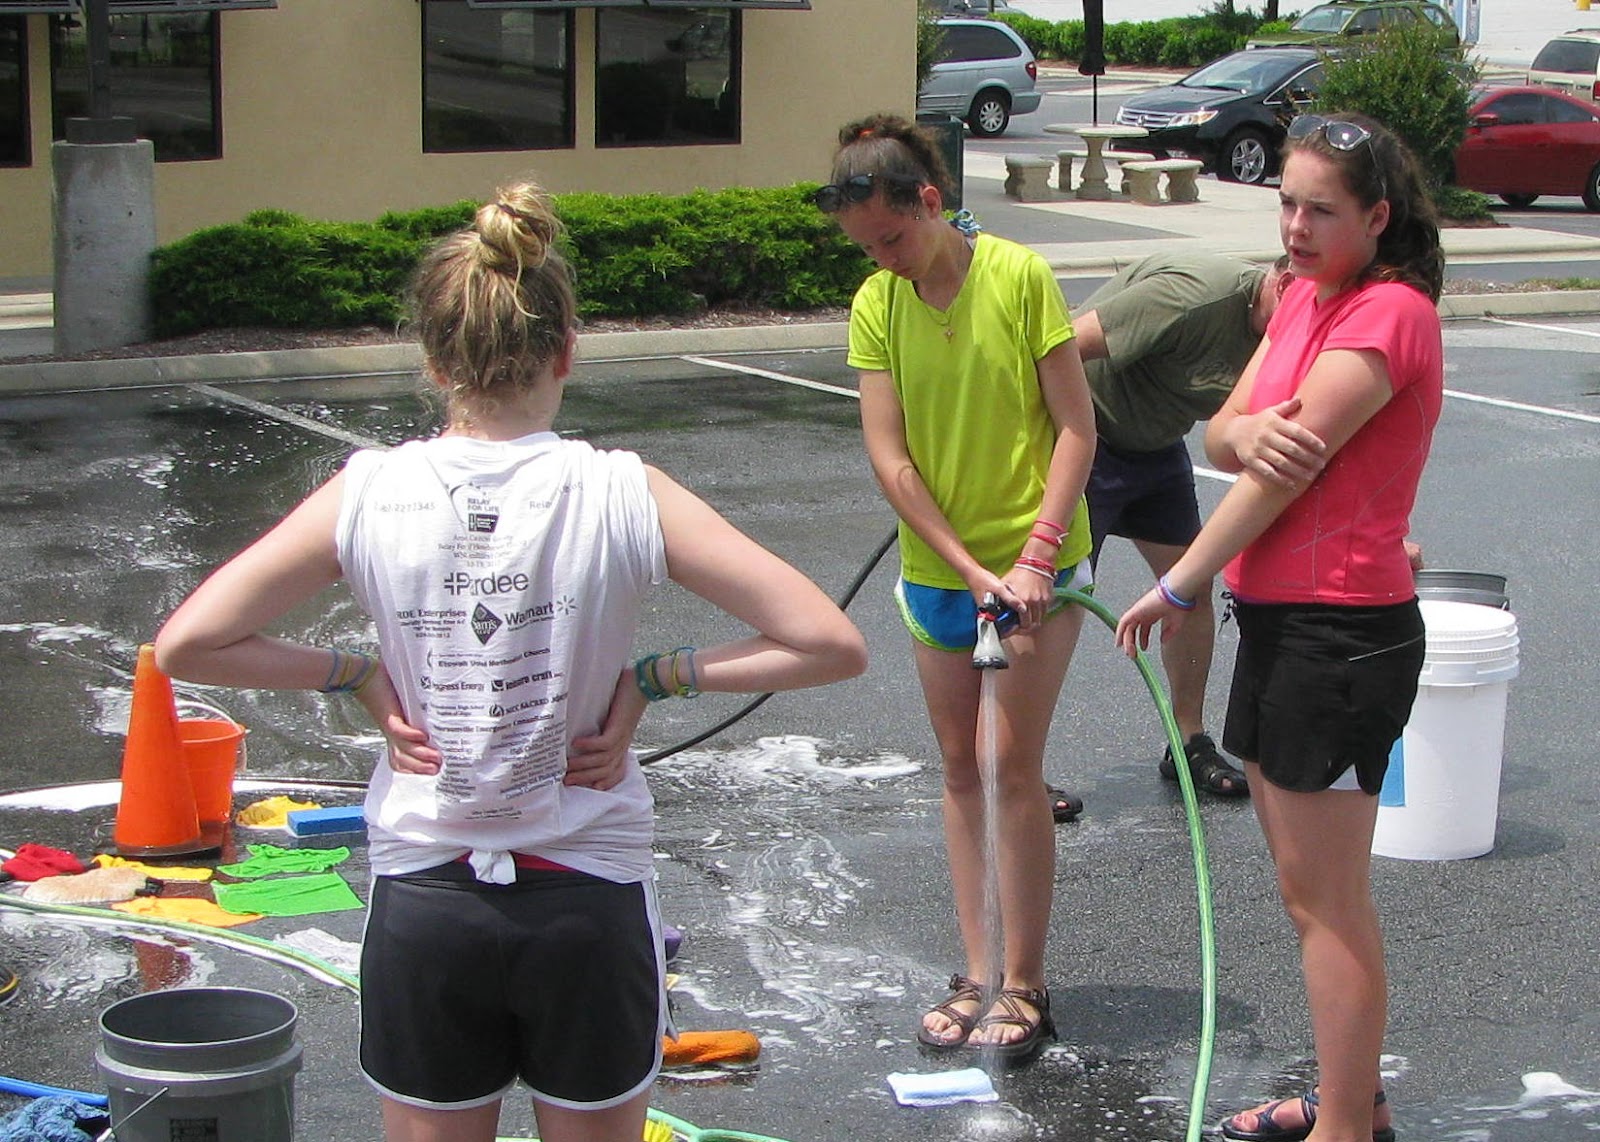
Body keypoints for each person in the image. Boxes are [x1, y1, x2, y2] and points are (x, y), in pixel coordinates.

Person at [154, 181, 868, 1142]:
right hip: (588, 896)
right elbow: (828, 641)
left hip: (429, 902)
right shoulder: (622, 490)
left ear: (434, 361)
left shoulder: (367, 491)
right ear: (567, 352)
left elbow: (187, 643)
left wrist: (355, 674)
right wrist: (657, 678)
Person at [1116, 111, 1444, 1142]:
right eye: (1286, 202)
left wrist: (1177, 585)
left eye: (1321, 209)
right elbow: (1226, 430)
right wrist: (1246, 427)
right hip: (1281, 623)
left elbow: (1265, 476)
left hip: (1339, 633)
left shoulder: (1388, 312)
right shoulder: (1303, 297)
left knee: (1327, 902)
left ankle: (1345, 1125)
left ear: (1377, 217)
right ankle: (1354, 1098)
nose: (1294, 225)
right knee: (1309, 894)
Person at [817, 113, 1097, 1062]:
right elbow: (890, 460)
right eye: (865, 246)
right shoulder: (877, 303)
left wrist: (1033, 558)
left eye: (891, 237)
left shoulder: (1018, 277)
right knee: (954, 766)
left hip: (1039, 565)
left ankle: (1025, 982)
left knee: (1009, 765)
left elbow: (1076, 431)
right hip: (941, 573)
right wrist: (971, 569)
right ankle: (975, 972)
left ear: (930, 202)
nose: (883, 258)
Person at [1072, 251, 1297, 799]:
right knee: (1054, 602)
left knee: (1189, 588)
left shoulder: (1291, 333)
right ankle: (1018, 771)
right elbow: (1061, 343)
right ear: (1285, 282)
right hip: (1085, 441)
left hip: (1154, 445)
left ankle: (1188, 741)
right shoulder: (1194, 296)